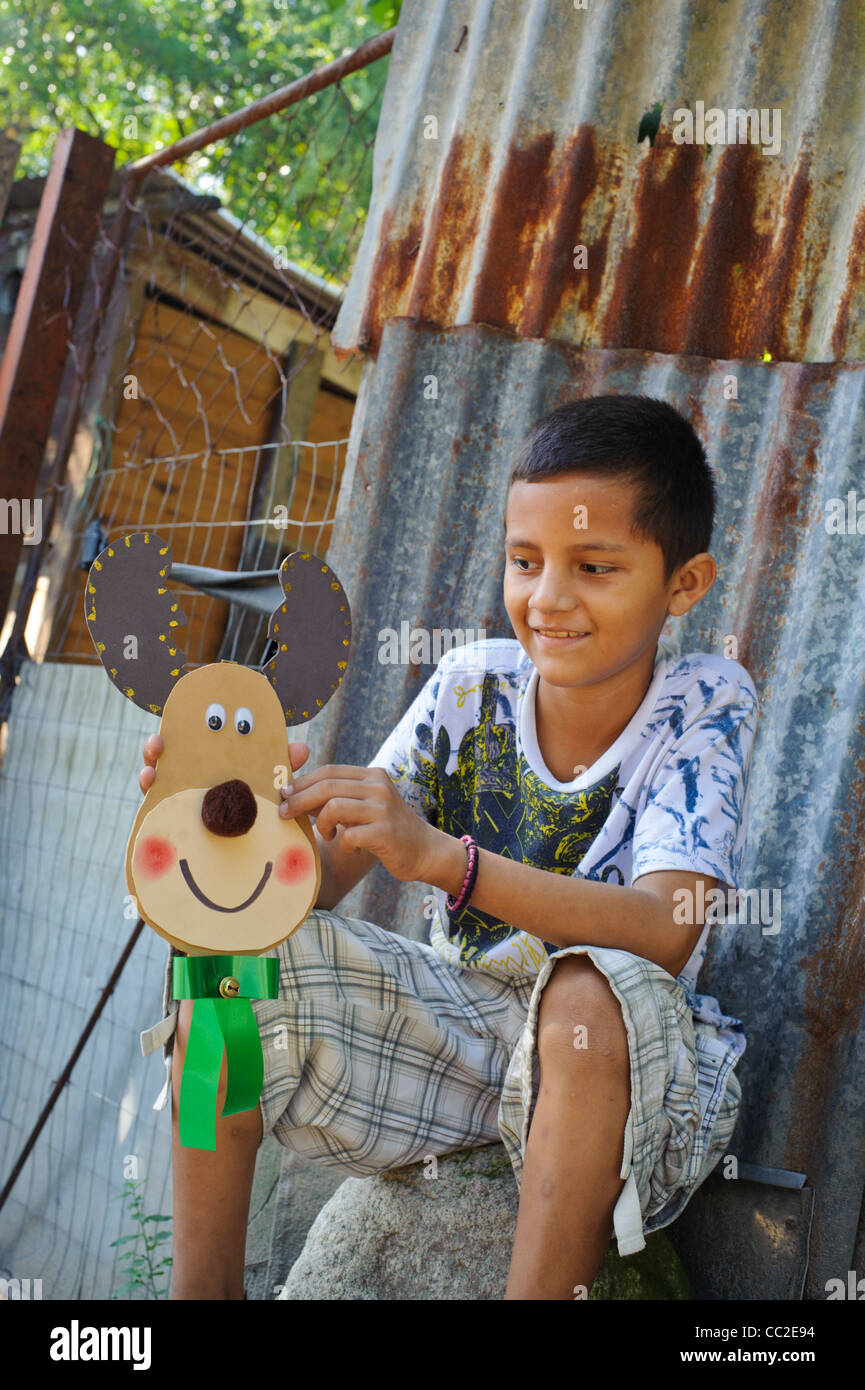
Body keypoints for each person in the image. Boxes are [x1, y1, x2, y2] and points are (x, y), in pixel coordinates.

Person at [138, 393, 758, 1301]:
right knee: (226, 961)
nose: (547, 598)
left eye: (593, 566)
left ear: (684, 584)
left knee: (583, 988)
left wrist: (444, 861)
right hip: (459, 1046)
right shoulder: (470, 686)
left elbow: (666, 928)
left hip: (620, 1072)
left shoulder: (705, 700)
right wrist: (216, 818)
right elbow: (306, 894)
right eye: (523, 561)